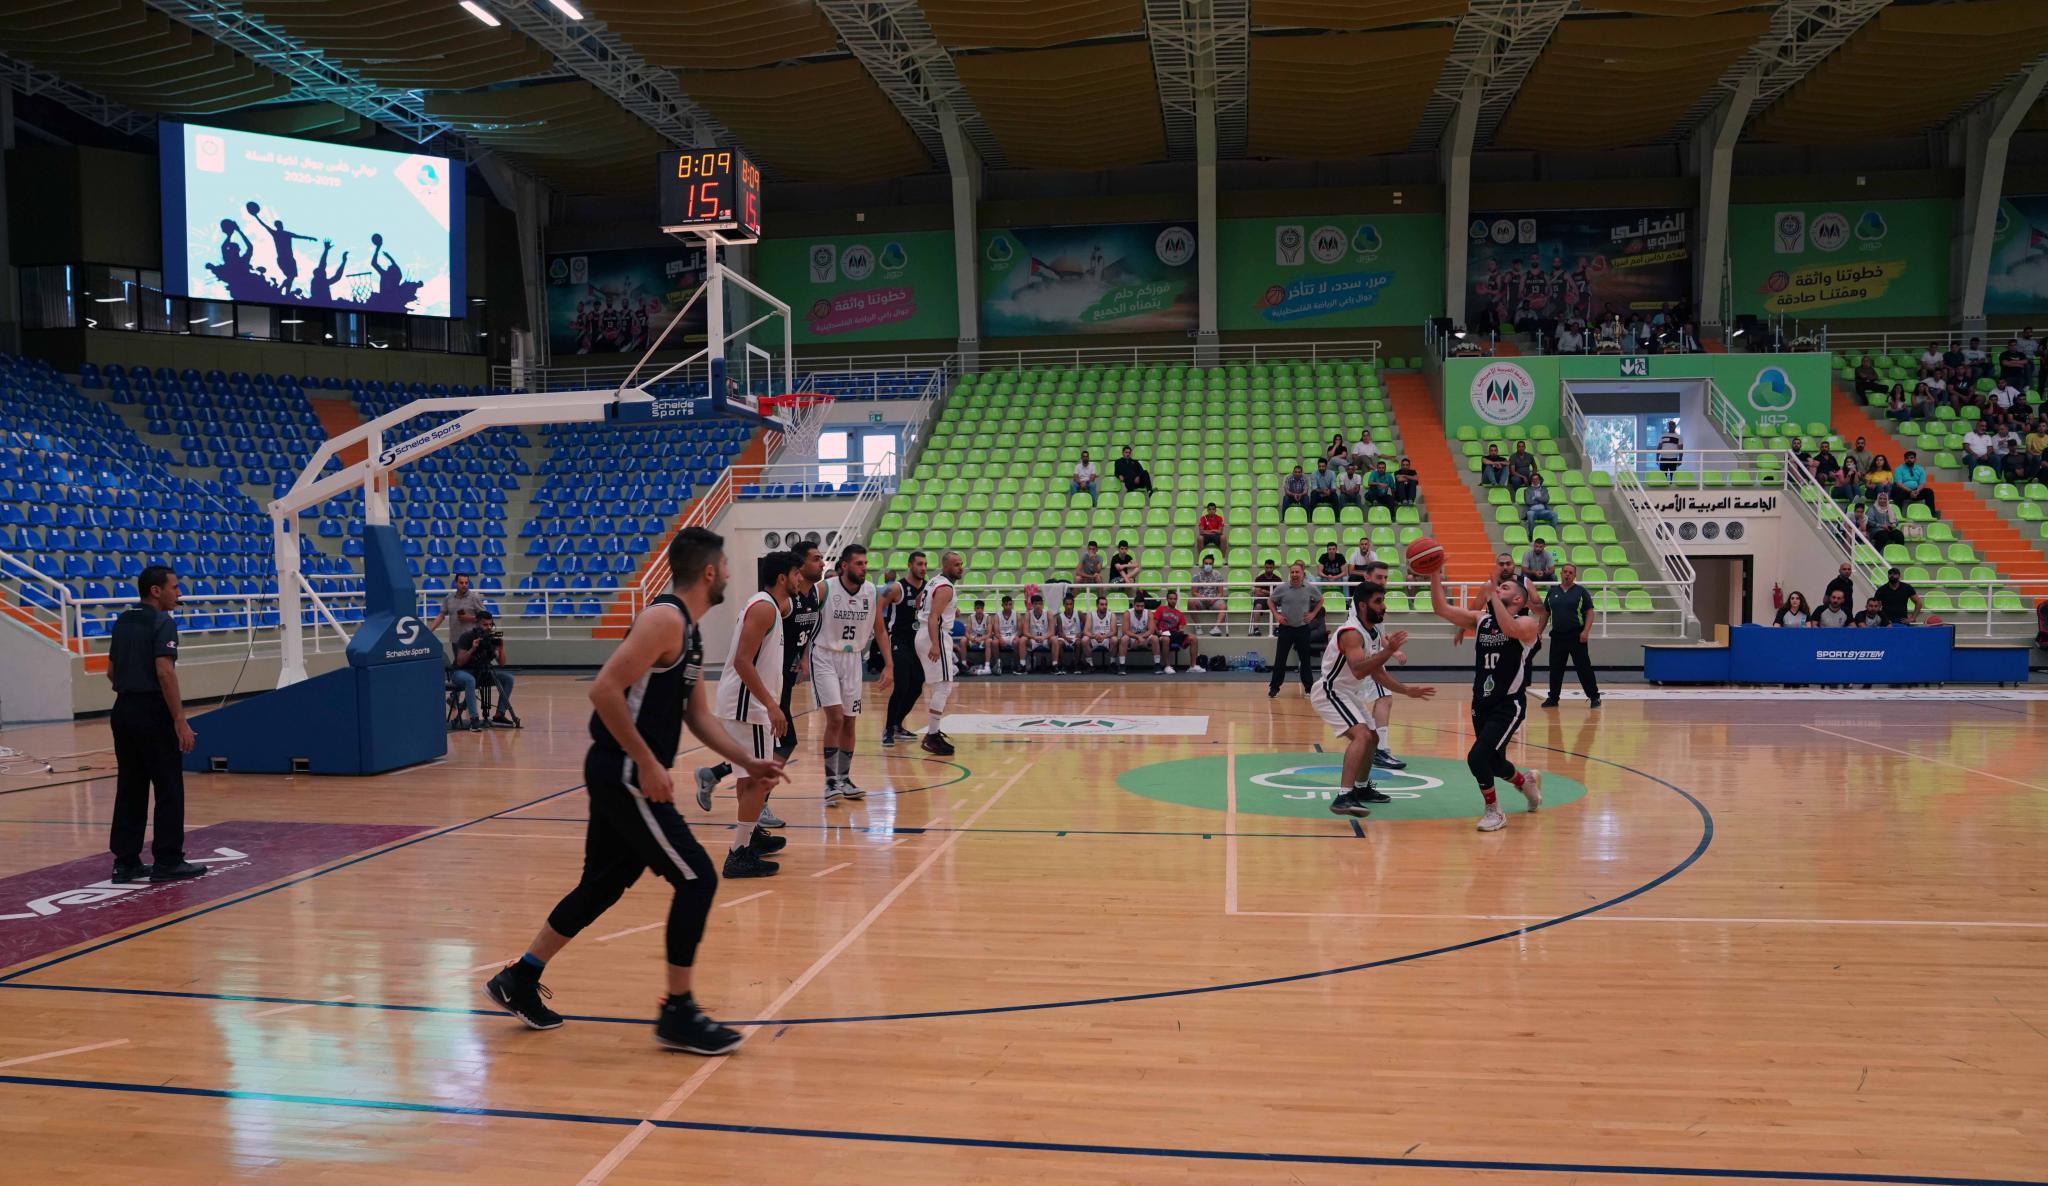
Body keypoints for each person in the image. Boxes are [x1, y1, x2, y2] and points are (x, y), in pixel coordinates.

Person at [483, 527, 785, 1053]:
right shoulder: (664, 619)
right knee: (697, 877)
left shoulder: (688, 631)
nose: (729, 575)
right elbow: (603, 690)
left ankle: (520, 977)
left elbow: (697, 716)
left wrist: (747, 761)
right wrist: (646, 762)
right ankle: (678, 1011)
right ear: (708, 571)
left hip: (623, 770)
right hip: (625, 772)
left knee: (603, 884)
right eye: (724, 567)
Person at [1424, 567, 1545, 832]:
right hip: (1481, 702)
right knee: (1495, 763)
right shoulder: (1481, 620)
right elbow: (1441, 609)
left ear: (1518, 600)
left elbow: (1510, 628)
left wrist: (1491, 595)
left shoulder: (1528, 623)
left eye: (1505, 588)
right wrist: (1433, 574)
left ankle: (1494, 811)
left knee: (1477, 758)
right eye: (1498, 586)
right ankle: (1524, 782)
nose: (1498, 588)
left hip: (1508, 704)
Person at [699, 551, 797, 877]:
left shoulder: (768, 605)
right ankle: (739, 853)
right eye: (796, 574)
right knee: (758, 779)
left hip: (744, 703)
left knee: (747, 777)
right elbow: (743, 660)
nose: (799, 579)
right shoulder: (764, 608)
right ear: (782, 577)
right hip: (748, 705)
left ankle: (749, 837)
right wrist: (771, 705)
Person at [106, 565, 202, 885]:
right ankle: (168, 861)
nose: (179, 593)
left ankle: (125, 863)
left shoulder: (122, 621)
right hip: (152, 711)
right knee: (168, 787)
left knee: (130, 787)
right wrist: (179, 719)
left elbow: (110, 672)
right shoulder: (163, 622)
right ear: (156, 591)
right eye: (175, 587)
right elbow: (164, 672)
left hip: (123, 710)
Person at [1320, 583, 1435, 820]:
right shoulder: (1351, 632)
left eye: (1383, 601)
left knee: (1372, 739)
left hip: (1349, 693)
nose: (1384, 606)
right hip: (1331, 690)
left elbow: (1377, 673)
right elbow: (1359, 669)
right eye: (1378, 601)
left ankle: (1361, 788)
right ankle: (1343, 796)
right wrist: (1388, 650)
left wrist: (1406, 690)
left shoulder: (1371, 632)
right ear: (1363, 606)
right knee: (1362, 735)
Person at [809, 544, 890, 806]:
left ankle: (844, 778)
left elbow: (880, 630)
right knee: (835, 718)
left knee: (849, 721)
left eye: (866, 563)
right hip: (825, 655)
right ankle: (830, 782)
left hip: (853, 658)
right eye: (859, 563)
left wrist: (889, 665)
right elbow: (804, 623)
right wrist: (799, 658)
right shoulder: (824, 589)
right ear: (844, 566)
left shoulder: (871, 592)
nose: (864, 568)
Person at [916, 551, 965, 755]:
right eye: (956, 565)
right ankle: (932, 736)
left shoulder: (934, 581)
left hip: (923, 633)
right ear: (946, 567)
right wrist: (935, 644)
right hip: (934, 634)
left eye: (961, 564)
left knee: (940, 686)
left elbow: (919, 601)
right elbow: (933, 616)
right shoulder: (945, 587)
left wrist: (950, 610)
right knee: (944, 686)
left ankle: (933, 734)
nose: (960, 568)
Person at [879, 551, 928, 746]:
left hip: (919, 643)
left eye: (925, 564)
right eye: (919, 564)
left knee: (917, 686)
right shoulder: (896, 588)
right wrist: (878, 631)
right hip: (899, 641)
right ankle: (888, 729)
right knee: (901, 686)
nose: (923, 568)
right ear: (909, 565)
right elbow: (877, 607)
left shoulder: (928, 588)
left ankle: (897, 724)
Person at [1540, 564, 1598, 707]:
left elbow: (1590, 613)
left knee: (1584, 668)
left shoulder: (1581, 592)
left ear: (1574, 575)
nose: (1567, 574)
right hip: (1557, 637)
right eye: (1565, 572)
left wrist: (1585, 631)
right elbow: (1545, 613)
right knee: (1555, 669)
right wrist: (1538, 631)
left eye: (1570, 572)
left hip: (1576, 636)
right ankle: (1553, 698)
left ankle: (1594, 697)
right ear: (1561, 573)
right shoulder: (1552, 591)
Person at [1267, 561, 1323, 698]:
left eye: (1297, 572)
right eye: (1292, 572)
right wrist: (1276, 615)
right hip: (1286, 629)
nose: (1294, 574)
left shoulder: (1309, 588)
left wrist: (1313, 614)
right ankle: (1274, 688)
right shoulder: (1282, 588)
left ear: (1303, 574)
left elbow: (1321, 600)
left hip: (1302, 629)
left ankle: (1309, 688)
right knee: (1280, 659)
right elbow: (1270, 601)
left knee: (1305, 660)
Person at [452, 610, 516, 730]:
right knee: (470, 680)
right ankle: (474, 719)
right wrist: (472, 648)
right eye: (485, 624)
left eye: (490, 624)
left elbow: (502, 663)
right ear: (477, 624)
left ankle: (499, 714)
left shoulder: (491, 639)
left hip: (482, 672)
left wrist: (501, 648)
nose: (488, 627)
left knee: (508, 678)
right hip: (462, 672)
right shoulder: (467, 637)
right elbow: (460, 662)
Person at [429, 572, 487, 658]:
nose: (464, 585)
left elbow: (485, 617)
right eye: (461, 583)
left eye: (466, 583)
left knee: (472, 664)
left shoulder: (475, 597)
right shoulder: (448, 598)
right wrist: (429, 630)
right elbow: (441, 615)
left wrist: (469, 618)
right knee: (458, 663)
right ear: (456, 583)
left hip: (471, 640)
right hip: (456, 639)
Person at [1154, 591, 1199, 674]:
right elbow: (1154, 624)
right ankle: (1167, 666)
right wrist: (1157, 632)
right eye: (1171, 599)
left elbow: (1181, 627)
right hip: (1163, 634)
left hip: (1174, 634)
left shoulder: (1179, 613)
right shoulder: (1161, 609)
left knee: (1193, 638)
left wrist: (1181, 630)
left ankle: (1193, 666)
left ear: (1177, 600)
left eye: (1174, 599)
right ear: (1167, 599)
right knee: (1166, 639)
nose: (1173, 601)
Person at [1119, 596, 1163, 673]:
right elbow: (1125, 631)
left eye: (1142, 606)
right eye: (1138, 606)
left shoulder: (1149, 613)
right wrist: (1137, 637)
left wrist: (1141, 637)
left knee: (1155, 638)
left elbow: (1151, 630)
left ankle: (1157, 664)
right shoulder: (1127, 613)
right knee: (1124, 639)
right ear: (1134, 605)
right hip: (1132, 638)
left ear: (1144, 606)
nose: (1140, 608)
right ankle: (1122, 665)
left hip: (1144, 638)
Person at [1190, 554, 1227, 635]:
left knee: (1223, 606)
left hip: (1213, 601)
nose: (1208, 565)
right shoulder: (1196, 576)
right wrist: (1203, 597)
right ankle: (1198, 626)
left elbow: (1220, 593)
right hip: (1201, 600)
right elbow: (1194, 592)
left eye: (1210, 564)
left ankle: (1216, 628)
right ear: (1203, 564)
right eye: (1206, 563)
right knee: (1191, 602)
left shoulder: (1218, 575)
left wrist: (1214, 599)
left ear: (1212, 564)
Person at [1085, 594, 1119, 672]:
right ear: (1097, 605)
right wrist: (1094, 636)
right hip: (1094, 638)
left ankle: (1112, 663)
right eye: (1102, 604)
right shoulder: (1091, 615)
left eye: (1106, 604)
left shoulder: (1112, 615)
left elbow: (1114, 632)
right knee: (1084, 639)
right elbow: (1086, 631)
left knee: (1114, 639)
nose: (1104, 606)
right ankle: (1090, 664)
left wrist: (1104, 636)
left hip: (1107, 639)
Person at [1053, 593, 1085, 673]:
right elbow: (1059, 632)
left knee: (1079, 643)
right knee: (1059, 643)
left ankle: (1076, 665)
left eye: (1070, 604)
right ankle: (1062, 665)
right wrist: (1066, 638)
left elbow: (1086, 627)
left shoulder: (1079, 613)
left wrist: (1081, 633)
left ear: (1073, 604)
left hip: (1076, 636)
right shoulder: (1060, 617)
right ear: (1064, 605)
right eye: (1067, 604)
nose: (1069, 606)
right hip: (1064, 637)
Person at [1251, 558, 1283, 636]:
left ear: (1273, 568)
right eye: (1267, 567)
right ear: (1264, 567)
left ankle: (1277, 628)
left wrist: (1265, 591)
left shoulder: (1278, 579)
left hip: (1274, 600)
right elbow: (1258, 593)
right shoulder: (1259, 579)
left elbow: (1278, 594)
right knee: (1258, 606)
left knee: (1279, 606)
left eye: (1270, 568)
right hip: (1262, 600)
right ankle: (1256, 629)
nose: (1268, 570)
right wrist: (1271, 593)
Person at [961, 599, 993, 675]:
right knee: (963, 640)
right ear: (974, 609)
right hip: (973, 639)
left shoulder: (988, 617)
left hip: (983, 639)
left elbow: (989, 634)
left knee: (989, 641)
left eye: (981, 608)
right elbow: (966, 633)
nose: (979, 610)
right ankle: (963, 664)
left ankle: (987, 666)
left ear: (983, 609)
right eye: (978, 608)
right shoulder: (970, 617)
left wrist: (981, 639)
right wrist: (971, 638)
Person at [1023, 594, 1053, 674]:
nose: (1038, 606)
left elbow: (1052, 632)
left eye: (1040, 604)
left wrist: (1044, 637)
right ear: (1032, 605)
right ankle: (1022, 665)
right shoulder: (1028, 614)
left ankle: (1055, 665)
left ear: (1043, 604)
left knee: (1054, 639)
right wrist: (1034, 637)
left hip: (1045, 639)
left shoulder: (1048, 613)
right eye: (1036, 604)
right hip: (1033, 639)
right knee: (1022, 639)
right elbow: (1025, 632)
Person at [994, 594, 1023, 675]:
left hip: (1013, 635)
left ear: (1012, 605)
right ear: (1002, 605)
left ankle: (1016, 663)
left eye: (1010, 604)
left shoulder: (1017, 614)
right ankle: (997, 663)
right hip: (1002, 636)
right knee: (994, 642)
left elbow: (1020, 630)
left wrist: (1017, 636)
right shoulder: (997, 615)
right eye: (1006, 604)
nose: (1008, 606)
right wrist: (1000, 639)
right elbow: (996, 632)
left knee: (1017, 641)